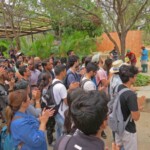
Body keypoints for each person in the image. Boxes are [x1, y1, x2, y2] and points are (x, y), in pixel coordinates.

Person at [115, 65, 145, 150]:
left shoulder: (118, 87)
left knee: (120, 147)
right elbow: (136, 117)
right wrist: (138, 106)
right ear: (130, 78)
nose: (136, 77)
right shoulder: (130, 95)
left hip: (118, 125)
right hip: (128, 129)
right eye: (135, 75)